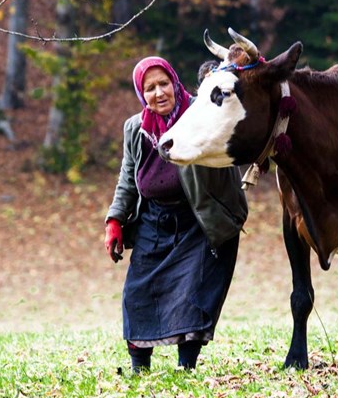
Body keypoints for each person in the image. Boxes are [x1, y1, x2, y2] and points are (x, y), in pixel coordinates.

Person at [104, 56, 247, 372]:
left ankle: (187, 365)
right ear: (142, 94)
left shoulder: (200, 115)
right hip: (154, 221)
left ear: (175, 82)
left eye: (164, 84)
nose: (159, 93)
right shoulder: (136, 128)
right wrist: (115, 220)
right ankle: (139, 366)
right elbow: (129, 176)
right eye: (150, 88)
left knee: (193, 293)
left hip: (198, 220)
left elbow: (234, 140)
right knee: (137, 294)